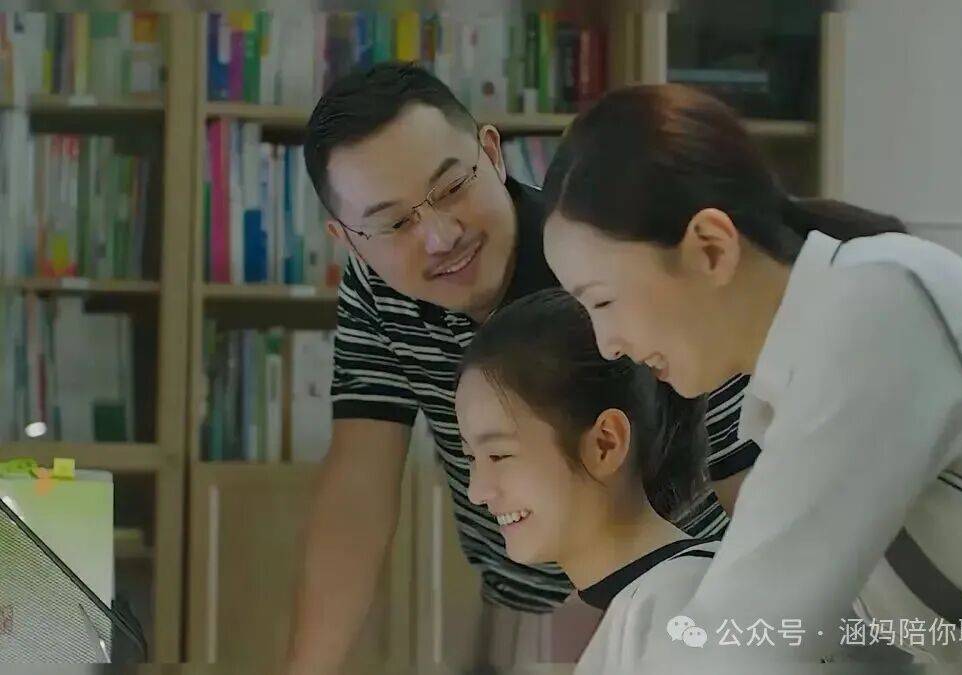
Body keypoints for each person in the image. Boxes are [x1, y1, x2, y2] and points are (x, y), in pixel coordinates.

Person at [540, 83, 962, 669]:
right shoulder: (796, 385)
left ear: (711, 249)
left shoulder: (874, 313)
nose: (608, 344)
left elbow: (738, 642)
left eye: (603, 301)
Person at [288, 63, 755, 673]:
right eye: (394, 223)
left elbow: (750, 482)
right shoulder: (377, 289)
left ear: (491, 152)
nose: (440, 237)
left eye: (450, 188)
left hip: (684, 605)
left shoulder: (611, 256)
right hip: (519, 610)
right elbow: (358, 490)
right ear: (348, 239)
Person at [457, 288, 723, 671]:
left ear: (605, 444)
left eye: (498, 455)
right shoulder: (636, 605)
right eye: (471, 458)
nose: (477, 491)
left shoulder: (680, 609)